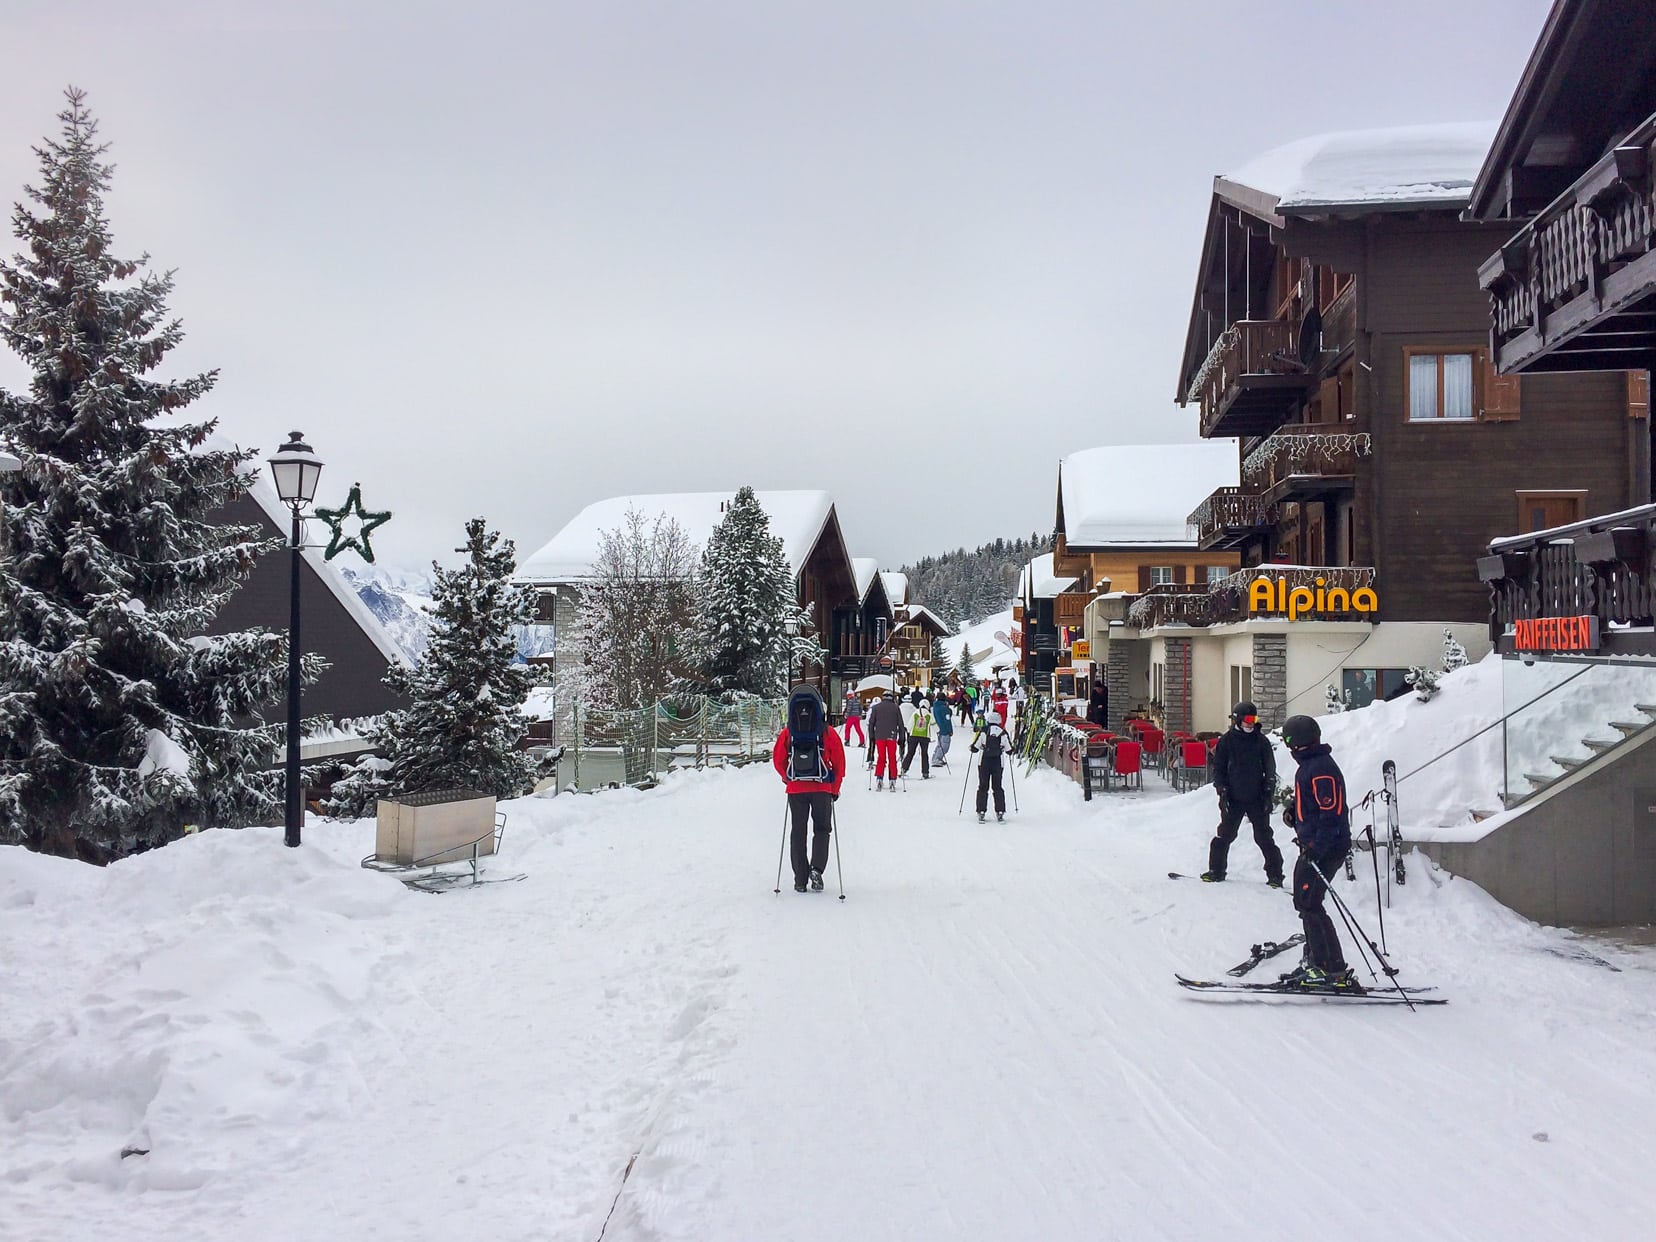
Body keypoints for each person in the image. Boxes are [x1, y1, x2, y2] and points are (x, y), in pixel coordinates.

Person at [1278, 715, 1357, 989]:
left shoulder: (1320, 768)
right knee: (1305, 901)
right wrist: (1295, 814)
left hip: (1326, 847)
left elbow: (1331, 814)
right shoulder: (1311, 765)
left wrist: (1315, 848)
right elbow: (1311, 804)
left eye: (1288, 741)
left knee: (1309, 903)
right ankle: (1316, 961)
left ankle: (1329, 968)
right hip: (1317, 845)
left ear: (1296, 743)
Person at [771, 686, 847, 893]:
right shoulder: (827, 732)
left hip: (796, 789)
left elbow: (778, 759)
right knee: (822, 829)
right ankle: (817, 869)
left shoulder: (789, 732)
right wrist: (835, 788)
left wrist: (788, 778)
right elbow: (839, 763)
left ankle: (799, 878)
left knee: (798, 831)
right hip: (822, 787)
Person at [1201, 700, 1284, 887]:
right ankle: (1216, 870)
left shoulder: (1261, 741)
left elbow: (1270, 768)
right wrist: (1221, 790)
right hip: (1233, 797)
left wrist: (1268, 791)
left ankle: (1275, 875)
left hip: (1257, 796)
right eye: (1247, 719)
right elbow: (1219, 768)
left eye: (1253, 719)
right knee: (1225, 834)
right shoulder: (1227, 741)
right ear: (1238, 720)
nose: (1250, 723)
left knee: (1263, 837)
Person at [971, 709, 1012, 823]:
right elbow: (1009, 749)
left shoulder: (984, 731)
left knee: (983, 786)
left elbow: (975, 747)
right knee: (997, 787)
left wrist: (972, 748)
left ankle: (981, 811)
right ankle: (1000, 811)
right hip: (998, 762)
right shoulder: (1003, 732)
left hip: (984, 762)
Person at [866, 689, 904, 791]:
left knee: (881, 757)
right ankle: (892, 779)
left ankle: (879, 777)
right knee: (892, 757)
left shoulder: (876, 708)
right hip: (892, 736)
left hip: (879, 736)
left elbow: (871, 723)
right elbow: (900, 724)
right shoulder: (896, 708)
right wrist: (902, 738)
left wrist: (871, 736)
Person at [902, 694, 933, 778]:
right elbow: (934, 724)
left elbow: (910, 724)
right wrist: (937, 732)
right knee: (924, 754)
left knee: (910, 752)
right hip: (925, 736)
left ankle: (904, 769)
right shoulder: (929, 714)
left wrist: (908, 731)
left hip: (914, 736)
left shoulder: (915, 712)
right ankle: (925, 772)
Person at [931, 692, 954, 767]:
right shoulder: (944, 708)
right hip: (944, 729)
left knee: (940, 744)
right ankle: (937, 758)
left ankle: (935, 757)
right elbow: (947, 720)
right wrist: (950, 730)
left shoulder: (936, 706)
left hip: (938, 727)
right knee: (945, 745)